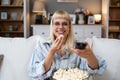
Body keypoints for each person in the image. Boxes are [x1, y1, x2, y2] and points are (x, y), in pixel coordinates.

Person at [28, 10, 106, 80]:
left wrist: (89, 55)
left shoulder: (77, 46)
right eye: (57, 24)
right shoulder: (42, 46)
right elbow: (34, 72)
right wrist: (51, 52)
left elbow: (96, 69)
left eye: (64, 24)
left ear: (69, 28)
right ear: (52, 27)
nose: (61, 27)